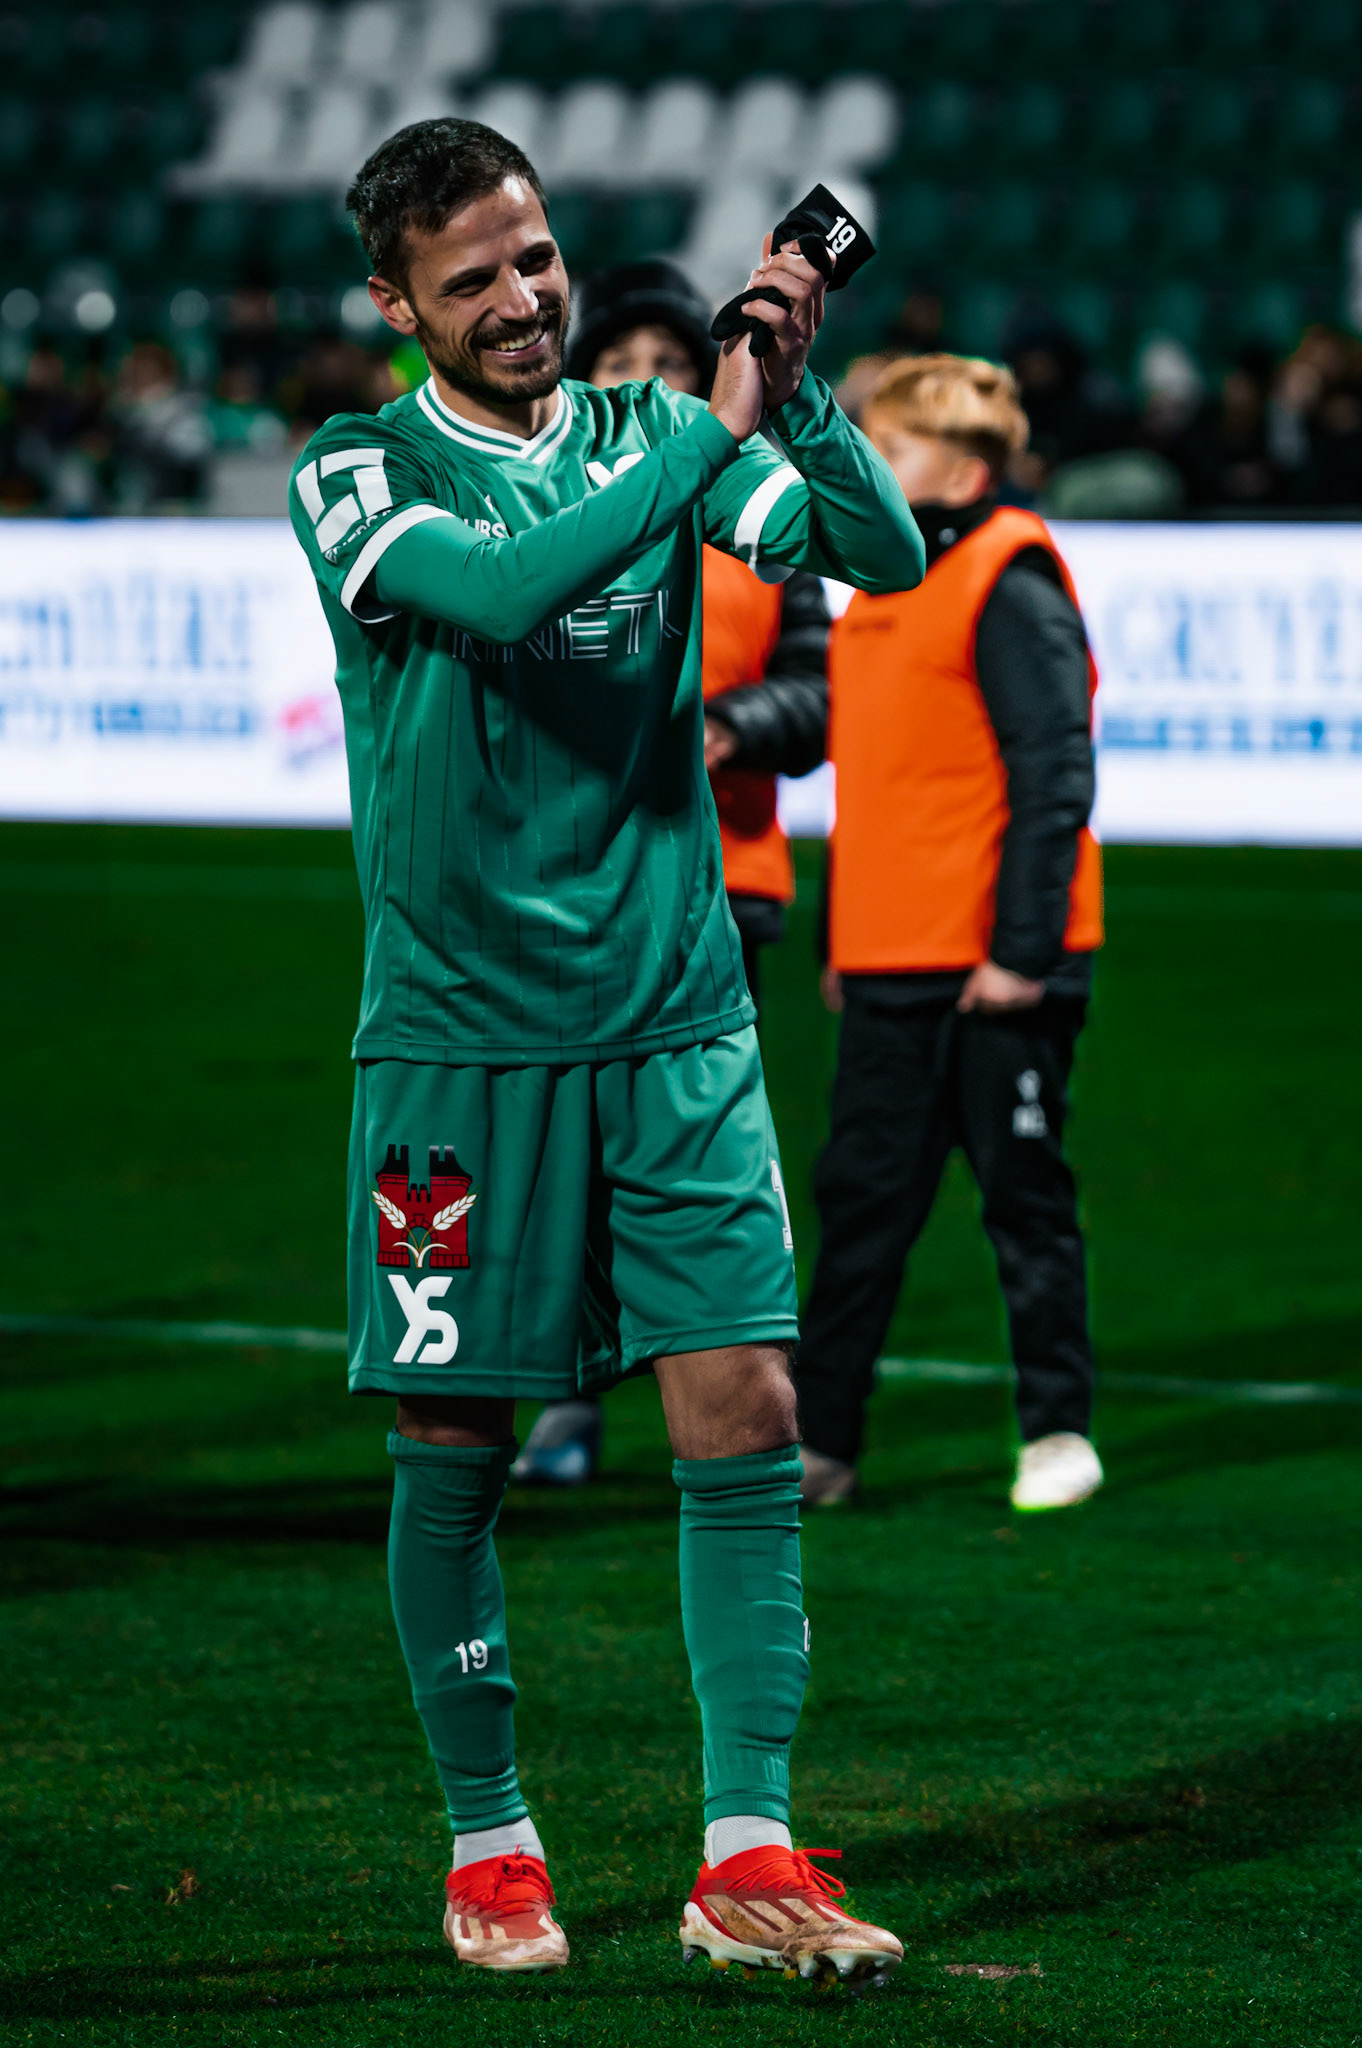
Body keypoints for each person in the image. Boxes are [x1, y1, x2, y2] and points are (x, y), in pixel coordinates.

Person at [288, 119, 922, 1983]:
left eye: (538, 257)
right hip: (459, 1045)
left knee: (748, 1411)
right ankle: (492, 1844)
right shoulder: (354, 470)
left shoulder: (654, 436)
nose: (522, 297)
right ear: (396, 303)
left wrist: (792, 403)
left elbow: (876, 554)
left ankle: (745, 1851)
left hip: (672, 1027)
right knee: (456, 1437)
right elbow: (493, 599)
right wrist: (714, 432)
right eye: (470, 276)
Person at [512, 260, 831, 1491]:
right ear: (584, 378)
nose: (643, 382)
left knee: (690, 1170)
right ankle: (572, 1400)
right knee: (567, 1163)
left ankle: (729, 1407)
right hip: (562, 891)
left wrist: (733, 726)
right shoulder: (538, 522)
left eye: (666, 361)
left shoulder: (757, 514)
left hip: (719, 882)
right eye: (620, 363)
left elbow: (820, 695)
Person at [793, 355, 1104, 1515]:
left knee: (1024, 1202)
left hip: (996, 967)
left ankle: (1057, 1427)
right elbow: (873, 781)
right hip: (889, 957)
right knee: (861, 1206)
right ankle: (821, 1443)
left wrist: (1022, 949)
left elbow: (1052, 772)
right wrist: (843, 937)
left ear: (964, 470)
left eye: (893, 451)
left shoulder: (1007, 574)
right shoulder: (878, 581)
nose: (868, 467)